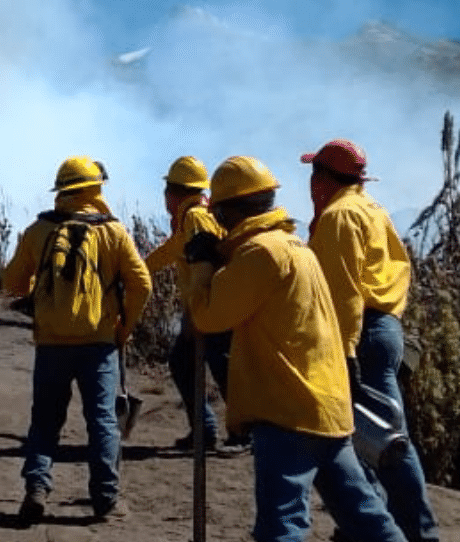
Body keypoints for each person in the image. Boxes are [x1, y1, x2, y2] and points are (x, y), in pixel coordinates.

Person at [180, 155, 406, 542]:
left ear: (226, 209)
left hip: (287, 410)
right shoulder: (293, 247)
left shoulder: (260, 254)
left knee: (281, 525)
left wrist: (201, 264)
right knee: (367, 521)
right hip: (326, 407)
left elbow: (207, 317)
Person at [0, 156, 152, 524]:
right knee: (101, 420)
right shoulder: (112, 231)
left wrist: (39, 292)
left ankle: (36, 488)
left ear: (62, 191)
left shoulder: (39, 230)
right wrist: (124, 327)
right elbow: (142, 284)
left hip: (51, 344)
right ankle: (105, 500)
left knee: (45, 420)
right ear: (94, 188)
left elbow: (11, 284)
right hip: (98, 344)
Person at [301, 140, 439, 542]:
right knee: (378, 434)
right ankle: (381, 524)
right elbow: (401, 267)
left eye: (314, 173)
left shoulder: (340, 217)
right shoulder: (371, 208)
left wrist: (344, 353)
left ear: (324, 177)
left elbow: (344, 294)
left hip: (359, 332)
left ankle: (414, 532)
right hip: (384, 327)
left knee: (385, 441)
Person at [143, 156, 241, 451]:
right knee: (186, 364)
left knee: (222, 369)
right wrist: (136, 270)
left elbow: (206, 263)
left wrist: (198, 311)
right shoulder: (196, 215)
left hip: (211, 308)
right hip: (209, 307)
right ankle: (205, 430)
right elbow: (171, 251)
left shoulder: (195, 218)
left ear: (173, 192)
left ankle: (242, 431)